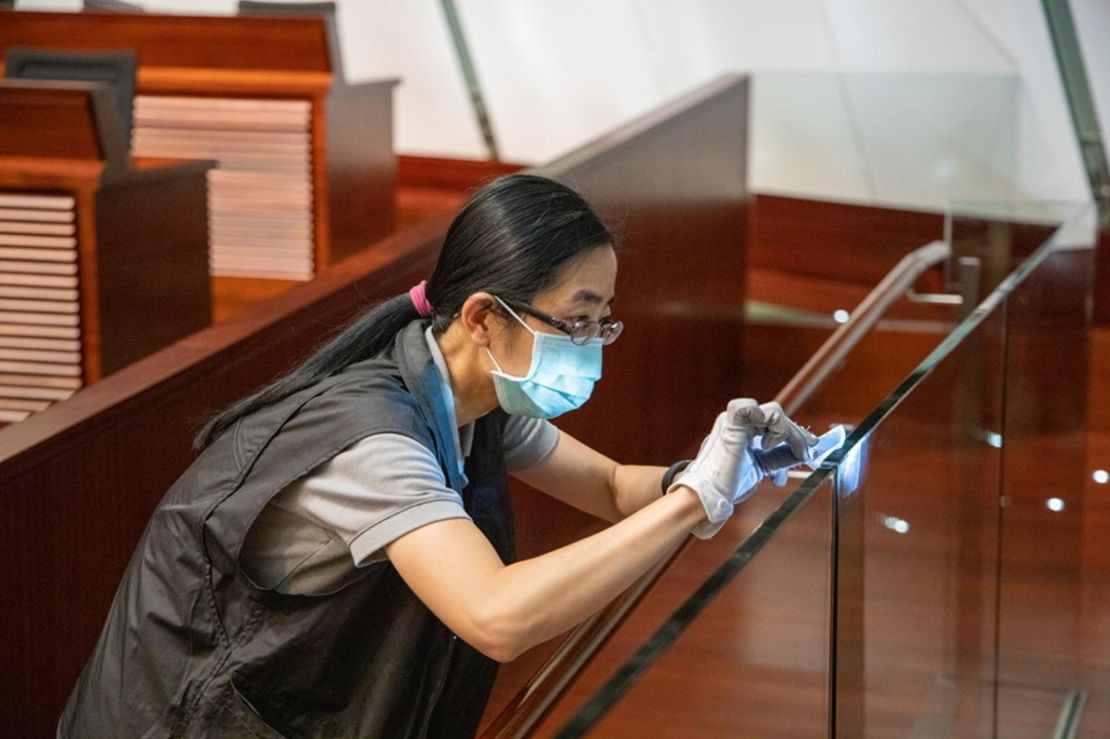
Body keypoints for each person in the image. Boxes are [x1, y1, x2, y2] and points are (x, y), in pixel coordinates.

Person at [59, 174, 816, 738]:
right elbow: (497, 613)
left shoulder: (480, 399)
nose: (591, 346)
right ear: (485, 316)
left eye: (603, 322)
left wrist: (723, 464)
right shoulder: (374, 442)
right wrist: (694, 503)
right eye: (577, 322)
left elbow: (617, 488)